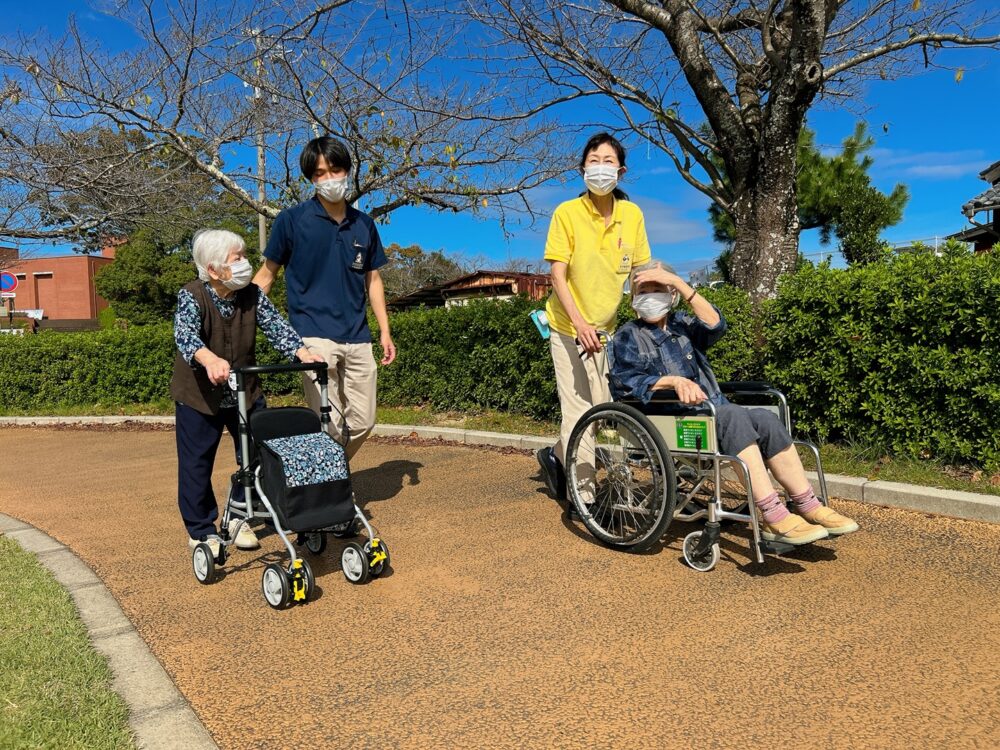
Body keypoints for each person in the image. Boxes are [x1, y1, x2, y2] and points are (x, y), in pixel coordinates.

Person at [609, 259, 859, 545]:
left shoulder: (682, 325)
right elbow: (626, 382)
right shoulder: (628, 335)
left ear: (672, 295)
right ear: (633, 300)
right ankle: (773, 515)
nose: (650, 296)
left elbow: (716, 324)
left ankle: (807, 504)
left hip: (711, 412)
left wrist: (679, 283)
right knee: (733, 416)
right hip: (670, 422)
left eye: (658, 288)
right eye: (643, 291)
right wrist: (673, 382)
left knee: (766, 419)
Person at [172, 229, 324, 556]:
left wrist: (302, 352)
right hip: (200, 395)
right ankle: (201, 531)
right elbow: (185, 335)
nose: (245, 263)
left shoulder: (252, 294)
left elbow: (277, 328)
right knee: (196, 463)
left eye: (243, 255)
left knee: (257, 455)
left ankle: (239, 513)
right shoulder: (192, 294)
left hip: (245, 391)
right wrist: (209, 358)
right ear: (213, 270)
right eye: (236, 258)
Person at [252, 136, 396, 460]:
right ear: (311, 178)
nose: (329, 179)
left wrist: (384, 330)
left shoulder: (365, 225)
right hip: (312, 336)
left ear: (347, 170)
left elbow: (373, 279)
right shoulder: (291, 221)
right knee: (328, 424)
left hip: (358, 335)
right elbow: (267, 274)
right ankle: (331, 490)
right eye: (320, 173)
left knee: (364, 420)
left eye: (335, 169)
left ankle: (326, 474)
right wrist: (238, 310)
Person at [536, 133, 651, 512]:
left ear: (621, 170)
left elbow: (639, 274)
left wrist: (647, 318)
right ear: (582, 167)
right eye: (593, 160)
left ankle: (558, 456)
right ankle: (583, 496)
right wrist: (580, 323)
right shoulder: (566, 213)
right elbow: (557, 275)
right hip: (567, 327)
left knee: (608, 410)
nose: (600, 167)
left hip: (607, 330)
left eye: (608, 160)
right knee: (579, 410)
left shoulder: (631, 216)